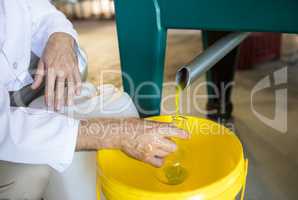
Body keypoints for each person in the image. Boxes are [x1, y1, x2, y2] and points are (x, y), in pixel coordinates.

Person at [0, 0, 188, 199]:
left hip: (14, 79)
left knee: (72, 67)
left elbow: (38, 9)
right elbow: (4, 131)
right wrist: (114, 134)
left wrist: (59, 36)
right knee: (31, 170)